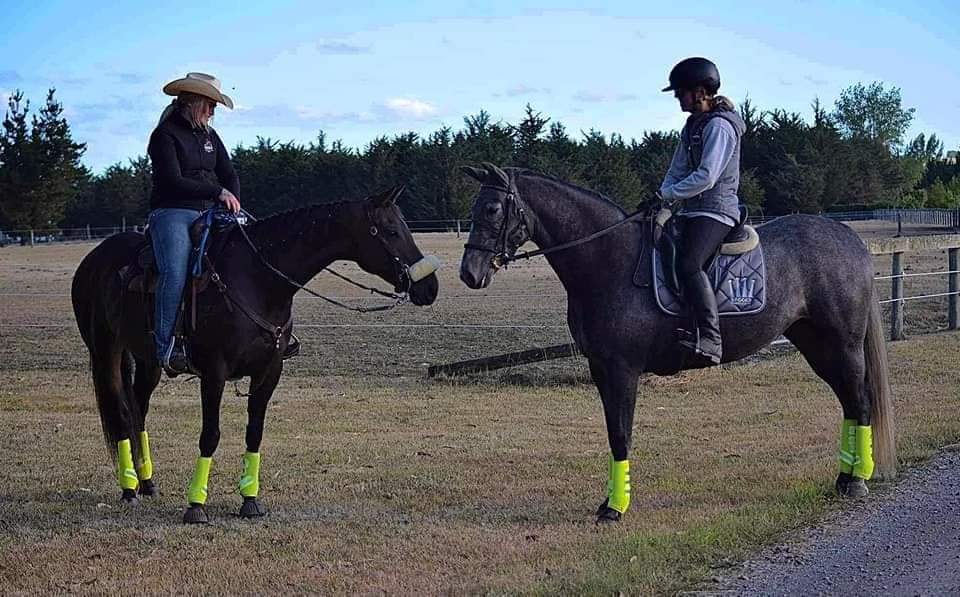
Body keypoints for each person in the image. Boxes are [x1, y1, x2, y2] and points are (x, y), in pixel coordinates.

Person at [147, 72, 241, 375]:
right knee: (174, 270)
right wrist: (217, 192)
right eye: (210, 105)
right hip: (173, 212)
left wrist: (232, 201)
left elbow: (230, 174)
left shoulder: (209, 135)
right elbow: (173, 181)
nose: (213, 112)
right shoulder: (164, 136)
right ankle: (165, 347)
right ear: (193, 102)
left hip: (211, 212)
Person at [659, 57, 746, 367]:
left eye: (680, 92)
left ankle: (711, 338)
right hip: (693, 210)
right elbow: (678, 168)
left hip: (717, 211)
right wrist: (662, 197)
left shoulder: (720, 127)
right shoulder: (692, 125)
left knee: (689, 263)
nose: (677, 98)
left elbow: (707, 176)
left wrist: (669, 193)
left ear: (699, 92)